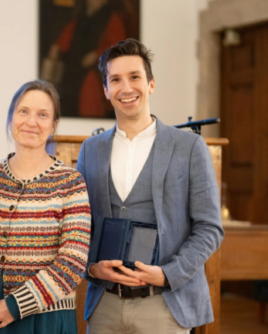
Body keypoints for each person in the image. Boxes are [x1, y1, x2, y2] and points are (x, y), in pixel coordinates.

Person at [77, 39, 224, 333]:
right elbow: (78, 225)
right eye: (115, 79)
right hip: (105, 305)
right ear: (106, 90)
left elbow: (210, 228)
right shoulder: (90, 150)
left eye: (135, 77)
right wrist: (92, 267)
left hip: (167, 306)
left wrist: (168, 274)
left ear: (151, 84)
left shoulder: (190, 146)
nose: (126, 88)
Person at [0, 79, 91, 333]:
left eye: (43, 115)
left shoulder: (70, 182)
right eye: (23, 111)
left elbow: (73, 260)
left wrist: (15, 305)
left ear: (53, 126)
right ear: (11, 119)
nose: (32, 122)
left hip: (45, 320)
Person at [41, 0, 127, 118]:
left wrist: (97, 55)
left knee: (88, 104)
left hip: (94, 73)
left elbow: (118, 47)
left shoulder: (112, 19)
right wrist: (56, 48)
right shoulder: (81, 17)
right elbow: (65, 38)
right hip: (72, 70)